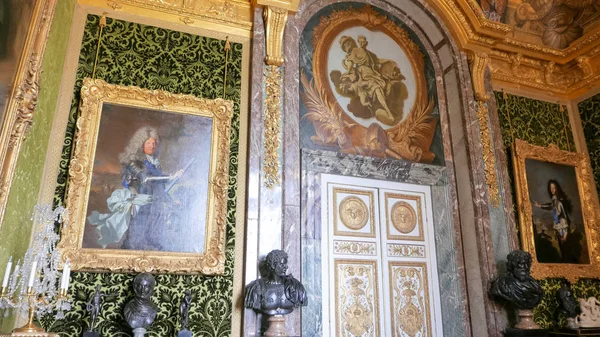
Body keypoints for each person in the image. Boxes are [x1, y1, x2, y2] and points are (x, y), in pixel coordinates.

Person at [244, 250, 308, 316]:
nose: (286, 267)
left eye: (286, 264)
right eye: (282, 264)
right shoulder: (256, 287)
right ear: (273, 265)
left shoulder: (295, 286)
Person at [533, 179, 579, 262]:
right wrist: (540, 205)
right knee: (562, 249)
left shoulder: (560, 201)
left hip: (564, 229)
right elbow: (551, 206)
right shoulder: (554, 200)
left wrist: (565, 233)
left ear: (557, 188)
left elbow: (565, 216)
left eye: (554, 188)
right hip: (558, 227)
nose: (552, 190)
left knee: (566, 250)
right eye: (551, 188)